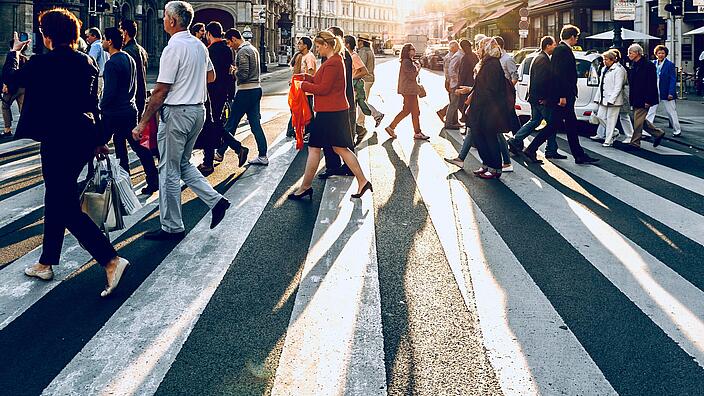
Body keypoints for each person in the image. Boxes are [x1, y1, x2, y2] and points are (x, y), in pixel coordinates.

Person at [15, 8, 129, 296]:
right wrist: (98, 139)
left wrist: (14, 52)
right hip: (81, 138)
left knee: (62, 203)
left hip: (56, 139)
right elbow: (93, 104)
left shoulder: (43, 63)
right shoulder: (86, 60)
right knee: (57, 197)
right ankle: (45, 263)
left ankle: (110, 259)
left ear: (47, 34)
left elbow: (10, 79)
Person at [132, 0, 231, 240]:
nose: (163, 20)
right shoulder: (199, 46)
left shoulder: (173, 48)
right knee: (183, 164)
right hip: (198, 111)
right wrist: (191, 82)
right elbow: (211, 76)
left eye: (165, 16)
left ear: (172, 21)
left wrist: (143, 122)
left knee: (168, 170)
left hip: (177, 113)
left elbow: (160, 90)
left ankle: (172, 226)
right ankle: (216, 201)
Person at [288, 31, 372, 200]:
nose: (317, 50)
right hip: (333, 111)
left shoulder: (334, 63)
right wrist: (304, 77)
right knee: (339, 147)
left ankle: (305, 187)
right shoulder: (333, 61)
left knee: (315, 148)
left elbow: (323, 89)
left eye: (318, 46)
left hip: (330, 113)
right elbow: (320, 82)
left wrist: (303, 85)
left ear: (326, 45)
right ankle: (363, 181)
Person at [101, 27, 159, 195]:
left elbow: (109, 92)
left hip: (113, 112)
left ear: (110, 41)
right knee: (132, 146)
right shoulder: (128, 58)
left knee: (99, 144)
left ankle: (118, 183)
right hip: (129, 109)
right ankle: (151, 178)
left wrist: (101, 106)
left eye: (104, 39)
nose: (103, 42)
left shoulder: (111, 63)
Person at [540, 25, 598, 164]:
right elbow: (559, 75)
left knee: (567, 125)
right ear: (572, 37)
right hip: (564, 95)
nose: (577, 39)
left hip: (566, 94)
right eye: (576, 37)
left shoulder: (562, 49)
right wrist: (562, 95)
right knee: (556, 125)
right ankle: (530, 148)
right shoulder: (562, 50)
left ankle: (579, 155)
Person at [215, 28, 268, 166]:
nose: (229, 45)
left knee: (231, 123)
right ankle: (263, 155)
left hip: (245, 91)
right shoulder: (252, 48)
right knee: (255, 125)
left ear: (234, 38)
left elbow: (243, 75)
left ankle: (220, 153)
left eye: (229, 42)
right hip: (256, 89)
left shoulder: (243, 51)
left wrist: (234, 71)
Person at [507, 36, 566, 160]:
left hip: (535, 97)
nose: (555, 47)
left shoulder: (538, 57)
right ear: (547, 45)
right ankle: (550, 149)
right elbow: (540, 81)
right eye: (554, 45)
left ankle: (516, 139)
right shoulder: (543, 60)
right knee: (551, 123)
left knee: (535, 121)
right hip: (540, 99)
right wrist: (544, 98)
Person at [463, 37, 514, 179]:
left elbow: (490, 89)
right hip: (482, 108)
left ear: (487, 48)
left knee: (489, 138)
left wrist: (479, 105)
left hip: (488, 110)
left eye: (480, 47)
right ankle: (486, 164)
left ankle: (495, 168)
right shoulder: (486, 63)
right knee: (480, 138)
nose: (478, 50)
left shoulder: (492, 64)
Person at [197, 22, 237, 175]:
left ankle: (209, 161)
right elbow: (229, 72)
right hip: (223, 92)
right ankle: (235, 148)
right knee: (215, 124)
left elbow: (208, 74)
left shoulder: (209, 50)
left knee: (210, 126)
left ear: (208, 34)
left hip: (211, 93)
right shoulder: (228, 50)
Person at [317, 26, 356, 180]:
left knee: (343, 137)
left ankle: (347, 166)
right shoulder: (332, 55)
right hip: (336, 101)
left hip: (338, 101)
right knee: (335, 138)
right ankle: (335, 166)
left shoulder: (340, 56)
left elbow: (331, 82)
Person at [621, 43, 664, 150]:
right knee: (639, 120)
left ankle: (635, 142)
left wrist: (648, 100)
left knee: (637, 120)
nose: (629, 55)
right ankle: (657, 133)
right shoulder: (634, 64)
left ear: (637, 53)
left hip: (644, 97)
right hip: (636, 96)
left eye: (630, 53)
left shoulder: (648, 65)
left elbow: (651, 84)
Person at [385, 43, 428, 140]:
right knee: (413, 111)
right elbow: (412, 75)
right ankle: (416, 132)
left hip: (409, 90)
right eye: (412, 49)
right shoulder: (406, 62)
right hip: (409, 90)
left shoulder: (408, 61)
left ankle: (392, 127)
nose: (414, 50)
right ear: (407, 51)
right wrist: (418, 68)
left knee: (410, 111)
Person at [590, 49, 634, 143]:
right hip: (604, 98)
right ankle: (614, 132)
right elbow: (601, 85)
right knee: (600, 116)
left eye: (606, 60)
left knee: (613, 119)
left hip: (614, 99)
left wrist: (612, 99)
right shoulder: (603, 69)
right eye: (604, 59)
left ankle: (608, 140)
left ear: (613, 60)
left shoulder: (619, 70)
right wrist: (597, 97)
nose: (605, 61)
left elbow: (618, 86)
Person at [344, 34, 374, 145]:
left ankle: (359, 131)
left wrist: (350, 78)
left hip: (354, 87)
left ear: (347, 45)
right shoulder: (348, 55)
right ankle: (359, 130)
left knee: (351, 111)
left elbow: (364, 71)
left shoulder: (354, 56)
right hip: (351, 86)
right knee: (349, 112)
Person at [645, 45, 681, 137]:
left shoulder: (670, 65)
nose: (661, 55)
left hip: (665, 91)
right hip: (654, 91)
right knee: (651, 111)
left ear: (665, 54)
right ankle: (647, 130)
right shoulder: (653, 63)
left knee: (671, 111)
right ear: (656, 54)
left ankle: (677, 130)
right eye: (659, 53)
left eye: (663, 53)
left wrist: (671, 92)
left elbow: (673, 79)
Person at [286, 36, 316, 138]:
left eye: (300, 43)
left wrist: (304, 84)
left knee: (307, 111)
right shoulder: (300, 56)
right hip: (299, 88)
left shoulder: (309, 57)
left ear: (306, 46)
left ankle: (309, 131)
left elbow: (311, 73)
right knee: (296, 109)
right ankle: (292, 130)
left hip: (306, 89)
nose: (298, 45)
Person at [119, 19, 149, 119]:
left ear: (125, 32)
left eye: (120, 29)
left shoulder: (126, 52)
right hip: (141, 96)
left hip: (130, 100)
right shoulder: (141, 50)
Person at [356, 33, 385, 130]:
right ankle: (362, 122)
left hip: (364, 79)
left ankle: (362, 122)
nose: (357, 43)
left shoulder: (363, 51)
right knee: (362, 101)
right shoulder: (370, 50)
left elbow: (361, 66)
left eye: (358, 41)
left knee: (361, 102)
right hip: (369, 79)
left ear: (361, 42)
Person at [2, 35, 28, 137]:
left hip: (12, 88)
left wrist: (5, 85)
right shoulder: (25, 59)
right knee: (23, 109)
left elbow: (7, 73)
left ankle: (7, 129)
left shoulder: (11, 56)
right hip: (23, 88)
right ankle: (25, 130)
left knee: (5, 106)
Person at [437, 40, 463, 129]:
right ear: (454, 48)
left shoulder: (449, 56)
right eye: (457, 47)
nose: (459, 48)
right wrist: (454, 81)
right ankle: (448, 121)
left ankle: (454, 121)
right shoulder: (452, 57)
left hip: (449, 81)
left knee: (454, 101)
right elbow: (450, 71)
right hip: (451, 82)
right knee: (454, 102)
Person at [457, 39, 478, 125]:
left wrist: (459, 86)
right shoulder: (474, 55)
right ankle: (467, 124)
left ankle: (466, 123)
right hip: (474, 82)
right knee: (470, 105)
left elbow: (463, 73)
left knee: (462, 105)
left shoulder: (465, 58)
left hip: (466, 84)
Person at [85, 27, 109, 98]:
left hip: (98, 78)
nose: (87, 39)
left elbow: (90, 62)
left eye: (88, 36)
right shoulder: (104, 46)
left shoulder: (95, 46)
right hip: (104, 77)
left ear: (94, 36)